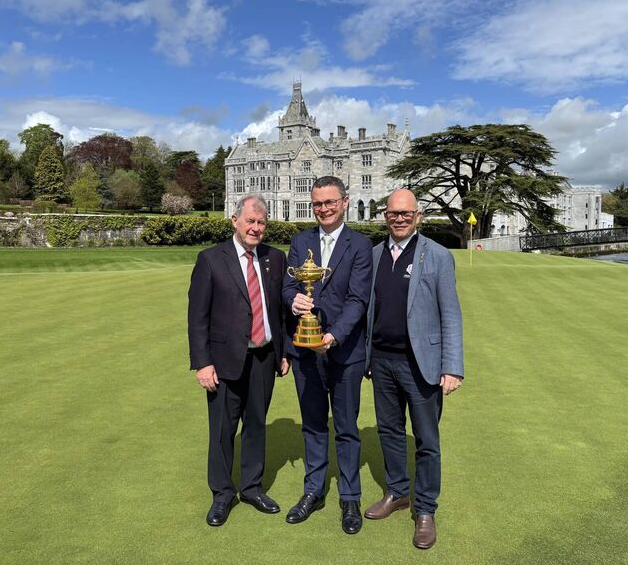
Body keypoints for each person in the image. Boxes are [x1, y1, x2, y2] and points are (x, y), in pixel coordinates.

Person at [363, 189, 464, 550]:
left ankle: (425, 510)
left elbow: (450, 314)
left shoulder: (437, 255)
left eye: (406, 213)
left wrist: (452, 367)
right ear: (385, 216)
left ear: (418, 216)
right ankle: (397, 492)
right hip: (381, 361)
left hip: (422, 364)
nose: (400, 219)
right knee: (389, 432)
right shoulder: (374, 255)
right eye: (394, 213)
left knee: (427, 441)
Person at [188, 194, 291, 527]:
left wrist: (284, 351)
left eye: (262, 223)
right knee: (222, 430)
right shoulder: (210, 259)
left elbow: (279, 311)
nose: (256, 228)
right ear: (235, 221)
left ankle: (251, 488)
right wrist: (202, 363)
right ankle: (222, 494)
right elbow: (197, 317)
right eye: (251, 221)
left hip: (264, 357)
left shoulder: (275, 258)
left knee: (256, 425)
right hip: (223, 361)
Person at [282, 176, 373, 534]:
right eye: (318, 203)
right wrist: (294, 300)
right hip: (305, 351)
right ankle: (314, 490)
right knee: (313, 424)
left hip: (344, 351)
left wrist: (332, 337)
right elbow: (288, 286)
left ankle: (350, 497)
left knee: (347, 428)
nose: (323, 209)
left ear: (344, 202)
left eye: (330, 202)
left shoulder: (360, 245)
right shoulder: (300, 241)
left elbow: (358, 300)